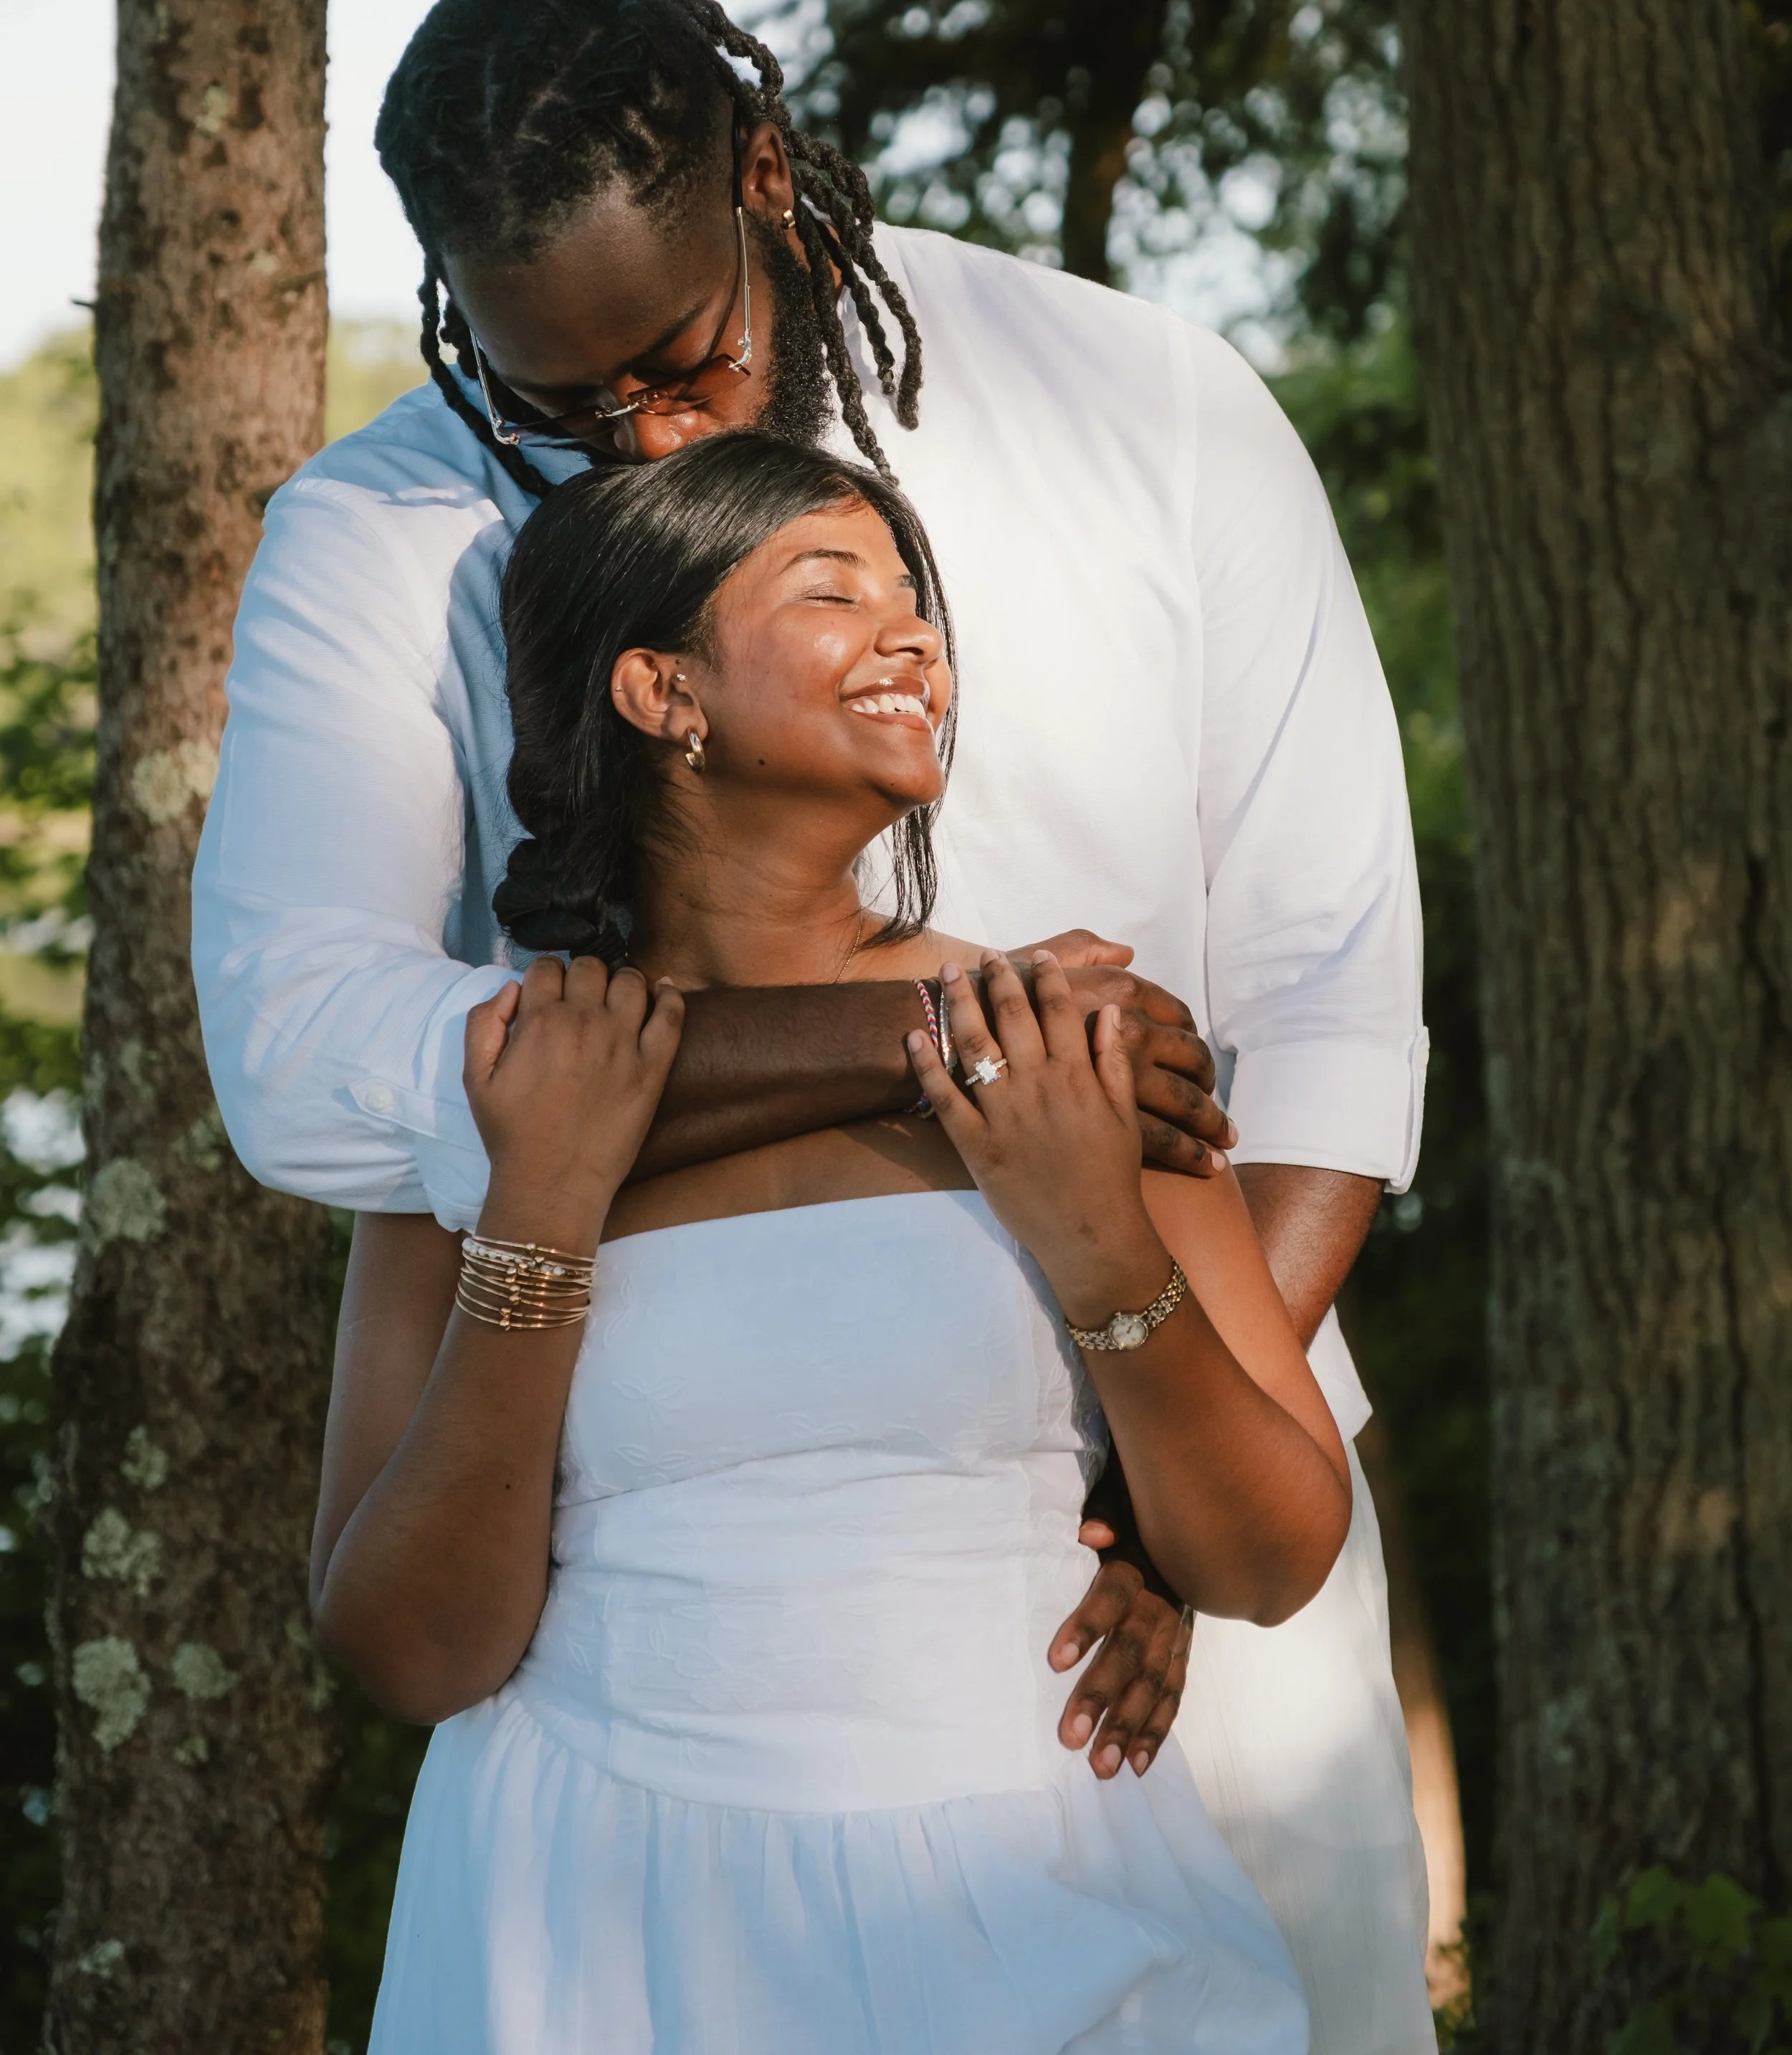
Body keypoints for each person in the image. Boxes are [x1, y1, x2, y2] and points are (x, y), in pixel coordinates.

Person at [193, 0, 1434, 2049]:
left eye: (683, 358)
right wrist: (965, 1042)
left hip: (1157, 1575)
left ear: (762, 173)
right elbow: (317, 1072)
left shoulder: (1140, 403)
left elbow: (1328, 1011)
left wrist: (1155, 1493)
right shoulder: (379, 536)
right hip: (672, 1689)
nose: (644, 443)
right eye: (552, 394)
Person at [318, 433, 1347, 2051]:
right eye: (832, 586)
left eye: (912, 596)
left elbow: (1270, 1555)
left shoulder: (1061, 1035)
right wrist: (538, 1223)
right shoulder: (498, 1083)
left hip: (1042, 1890)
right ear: (665, 695)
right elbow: (409, 1649)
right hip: (597, 1925)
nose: (913, 633)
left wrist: (1096, 1253)